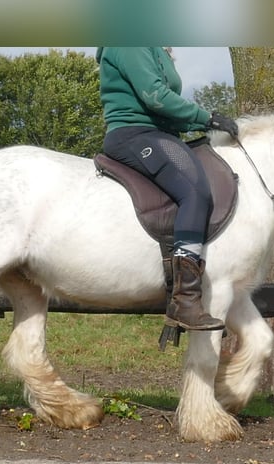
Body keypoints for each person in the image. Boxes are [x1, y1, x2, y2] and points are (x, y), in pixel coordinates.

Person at [96, 47, 239, 331]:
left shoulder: (155, 47)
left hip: (159, 133)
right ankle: (185, 300)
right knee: (195, 192)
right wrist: (206, 117)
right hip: (133, 133)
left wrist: (201, 122)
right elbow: (155, 96)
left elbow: (167, 108)